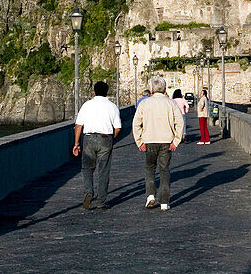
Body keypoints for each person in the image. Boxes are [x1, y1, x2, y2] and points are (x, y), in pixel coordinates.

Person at [132, 75, 183, 211]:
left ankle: (150, 195)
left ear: (152, 89)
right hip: (166, 141)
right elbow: (180, 122)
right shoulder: (171, 103)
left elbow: (136, 123)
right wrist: (176, 140)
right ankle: (164, 202)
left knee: (150, 169)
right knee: (164, 170)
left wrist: (139, 141)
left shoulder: (144, 103)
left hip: (149, 141)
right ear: (165, 88)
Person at [72, 80, 121, 211]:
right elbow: (118, 128)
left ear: (94, 91)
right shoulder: (112, 106)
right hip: (106, 138)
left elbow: (78, 126)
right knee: (103, 170)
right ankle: (101, 201)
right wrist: (110, 138)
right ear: (107, 92)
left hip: (88, 138)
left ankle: (88, 191)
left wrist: (76, 143)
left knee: (87, 168)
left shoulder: (87, 105)